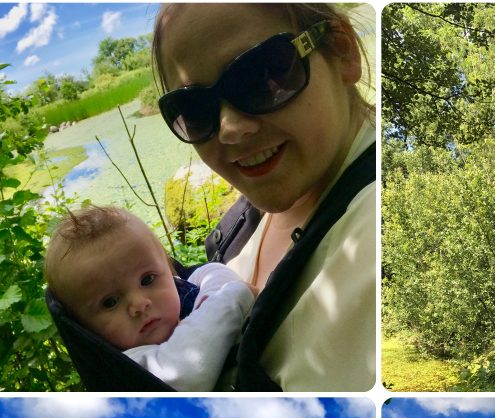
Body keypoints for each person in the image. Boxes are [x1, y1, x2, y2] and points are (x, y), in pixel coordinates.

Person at [151, 3, 375, 391]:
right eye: (194, 109)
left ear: (342, 50)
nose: (230, 129)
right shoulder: (256, 211)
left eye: (261, 76)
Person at [45, 206, 254, 391]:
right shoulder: (132, 366)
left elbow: (211, 271)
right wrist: (232, 297)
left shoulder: (181, 287)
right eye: (110, 302)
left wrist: (220, 295)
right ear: (85, 329)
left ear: (169, 267)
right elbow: (187, 376)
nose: (139, 304)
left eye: (147, 279)